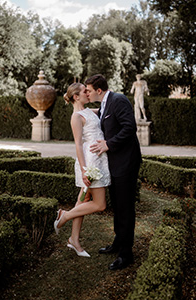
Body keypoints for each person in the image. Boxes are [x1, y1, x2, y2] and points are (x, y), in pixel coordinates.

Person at [85, 74, 142, 270]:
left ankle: (126, 254)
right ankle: (118, 242)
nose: (87, 93)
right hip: (114, 164)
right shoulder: (105, 105)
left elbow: (130, 127)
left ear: (98, 90)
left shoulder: (119, 100)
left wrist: (109, 144)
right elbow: (102, 115)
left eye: (89, 90)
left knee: (125, 208)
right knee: (117, 205)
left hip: (126, 162)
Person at [54, 82, 111, 258]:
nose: (88, 93)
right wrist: (85, 170)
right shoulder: (76, 117)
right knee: (100, 205)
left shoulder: (89, 111)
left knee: (83, 199)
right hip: (90, 163)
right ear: (76, 97)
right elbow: (78, 145)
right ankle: (64, 216)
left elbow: (105, 111)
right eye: (84, 91)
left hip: (99, 159)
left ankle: (74, 239)